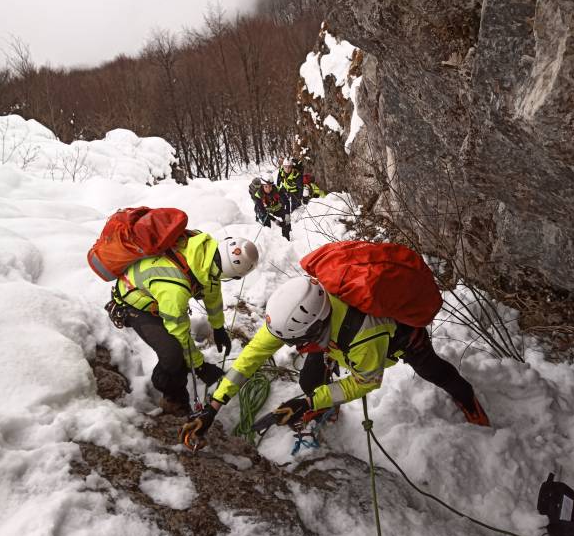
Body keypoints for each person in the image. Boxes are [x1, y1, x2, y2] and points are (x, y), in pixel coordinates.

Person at [180, 275, 490, 442]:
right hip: (334, 338)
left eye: (295, 342)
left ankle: (468, 399)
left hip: (400, 340)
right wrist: (213, 406)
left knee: (434, 371)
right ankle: (323, 402)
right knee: (309, 381)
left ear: (313, 329)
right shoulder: (297, 315)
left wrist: (308, 403)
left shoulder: (365, 339)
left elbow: (366, 381)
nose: (291, 346)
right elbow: (252, 356)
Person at [110, 232, 259, 416]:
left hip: (158, 298)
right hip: (135, 306)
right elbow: (179, 333)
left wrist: (218, 327)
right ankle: (171, 395)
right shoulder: (175, 286)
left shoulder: (207, 255)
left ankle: (180, 374)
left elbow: (212, 291)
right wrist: (200, 366)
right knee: (173, 353)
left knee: (181, 350)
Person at [252, 174, 291, 240]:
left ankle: (286, 238)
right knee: (266, 221)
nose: (268, 189)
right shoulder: (258, 195)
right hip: (264, 210)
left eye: (270, 186)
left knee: (287, 221)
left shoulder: (278, 190)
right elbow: (262, 211)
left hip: (276, 207)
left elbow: (286, 202)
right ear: (262, 186)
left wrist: (287, 214)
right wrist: (274, 220)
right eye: (266, 186)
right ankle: (268, 239)